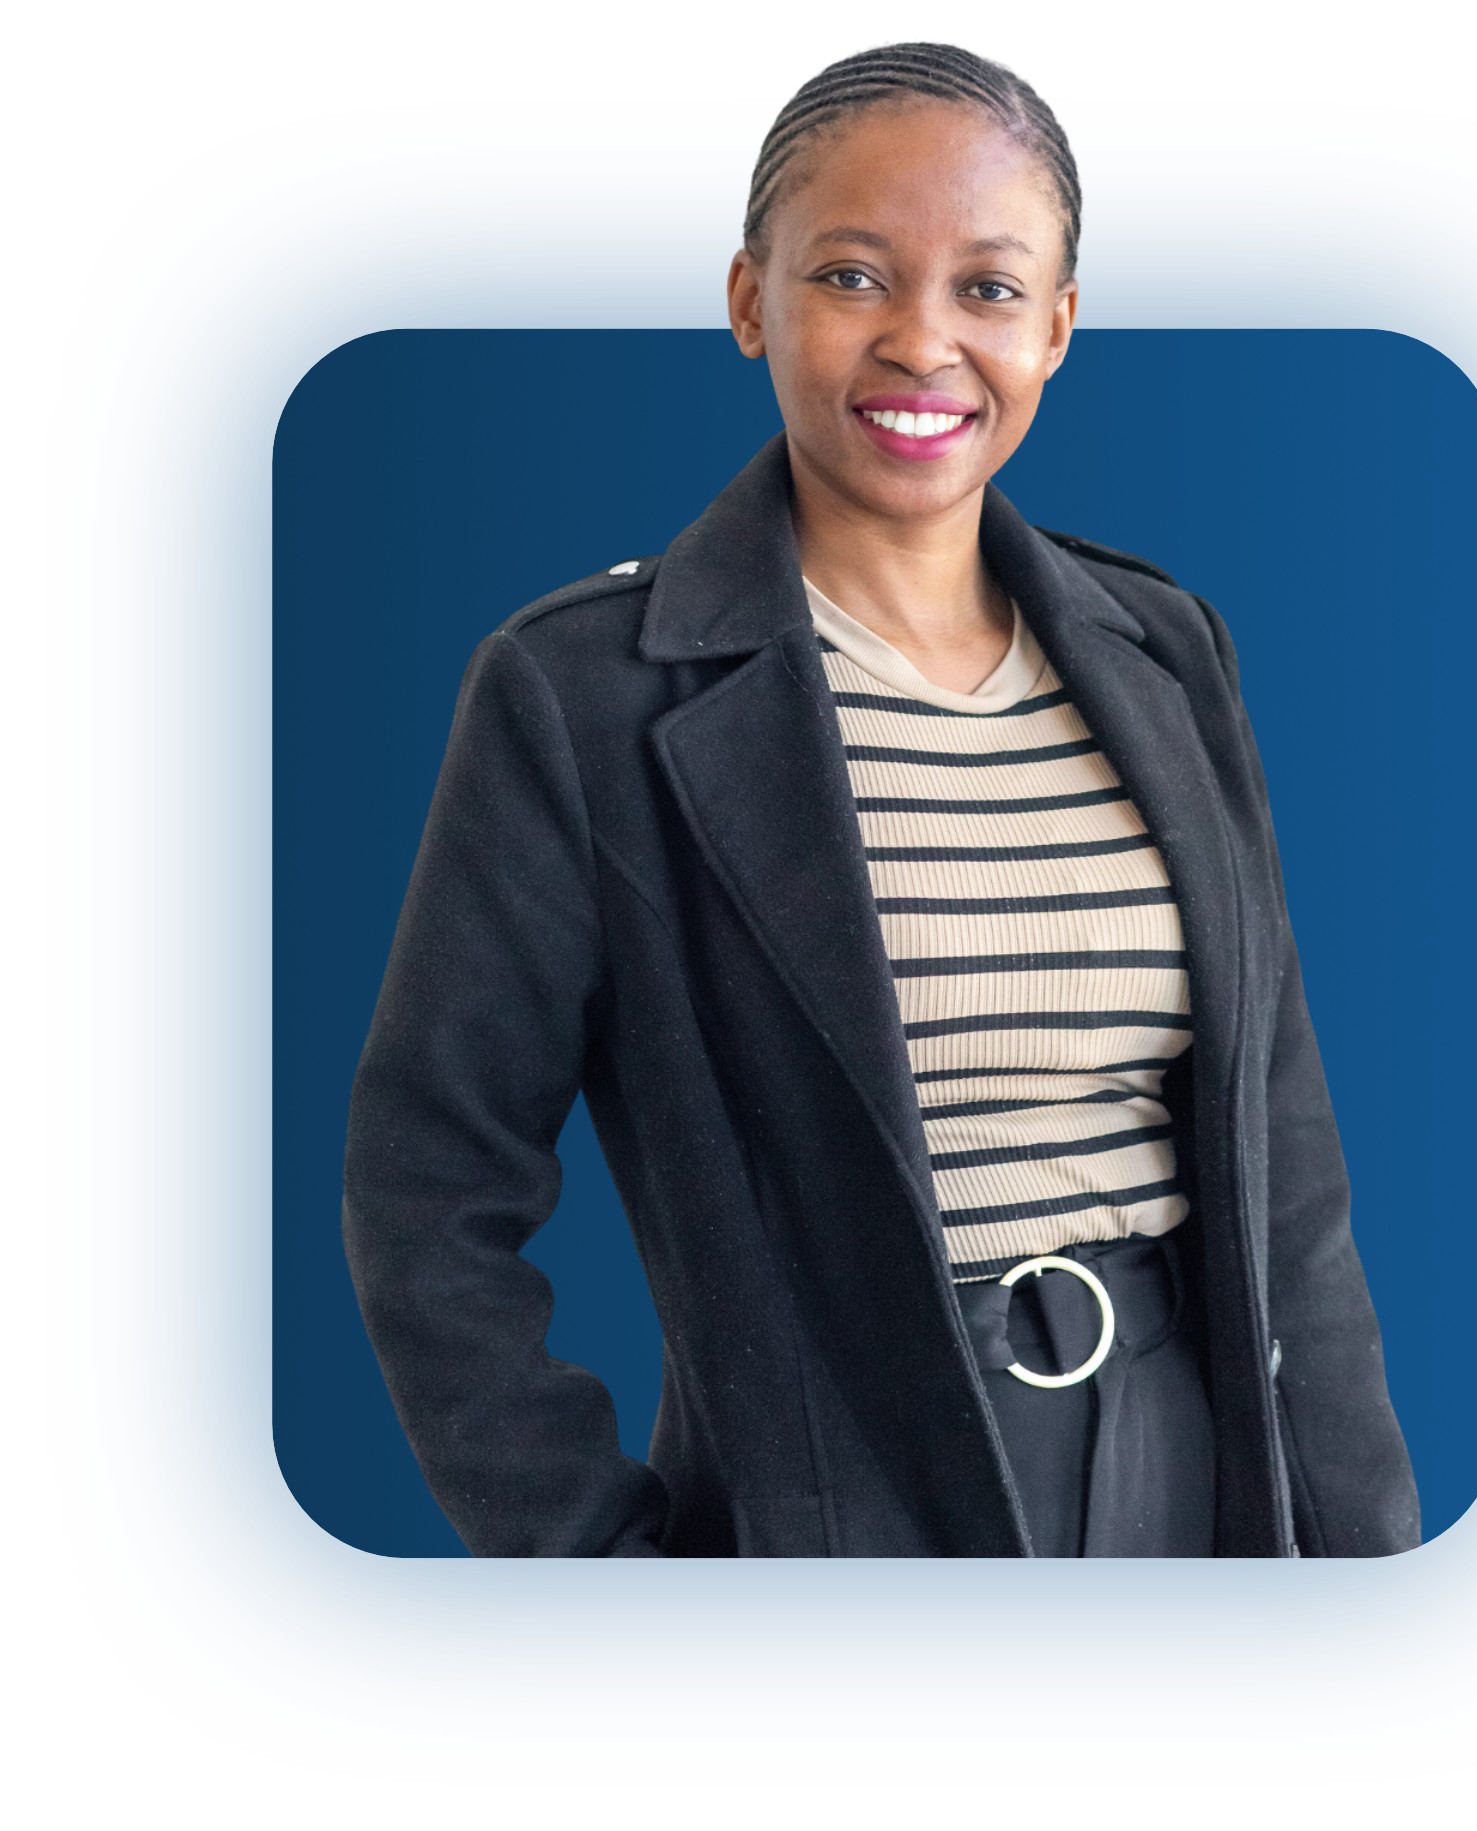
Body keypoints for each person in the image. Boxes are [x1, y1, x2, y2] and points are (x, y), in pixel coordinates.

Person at [342, 42, 1420, 1558]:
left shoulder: (1164, 649)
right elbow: (429, 1190)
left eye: (987, 289)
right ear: (748, 300)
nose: (923, 342)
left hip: (1205, 1483)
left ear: (1056, 328)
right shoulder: (582, 691)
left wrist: (1377, 1569)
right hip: (843, 1510)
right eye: (853, 276)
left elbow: (1287, 1168)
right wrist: (600, 1588)